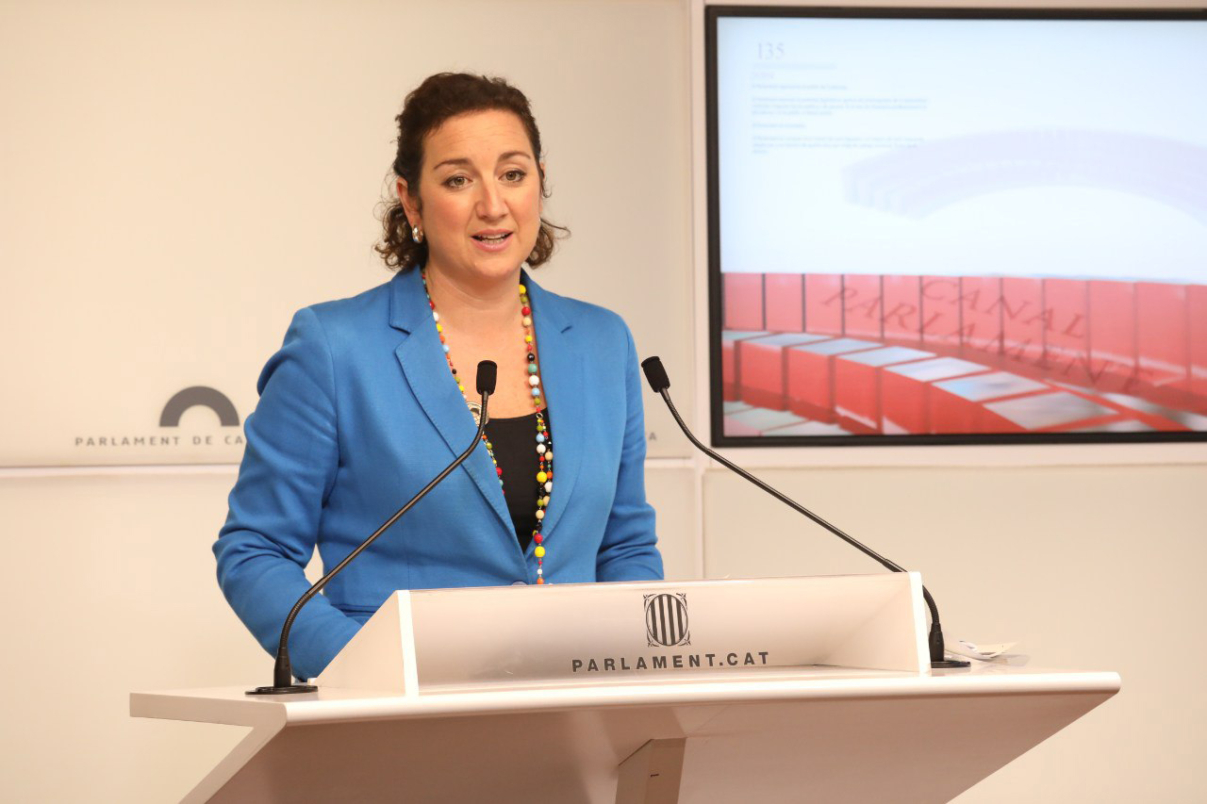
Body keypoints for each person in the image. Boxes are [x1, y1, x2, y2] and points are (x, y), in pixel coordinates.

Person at [213, 73, 663, 680]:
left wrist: (631, 670)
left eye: (513, 173)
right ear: (412, 200)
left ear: (540, 181)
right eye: (458, 179)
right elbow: (255, 552)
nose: (493, 205)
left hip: (574, 717)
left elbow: (624, 547)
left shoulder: (603, 343)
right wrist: (369, 671)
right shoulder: (335, 348)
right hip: (399, 727)